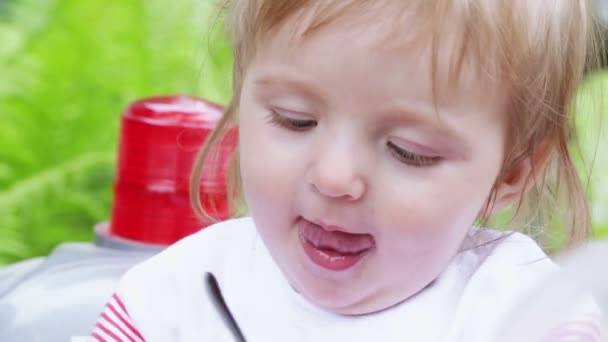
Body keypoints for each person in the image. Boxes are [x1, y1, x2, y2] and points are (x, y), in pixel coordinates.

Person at [91, 0, 606, 341]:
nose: (334, 177)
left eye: (409, 150)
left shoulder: (525, 317)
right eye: (295, 120)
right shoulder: (176, 298)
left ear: (510, 174)